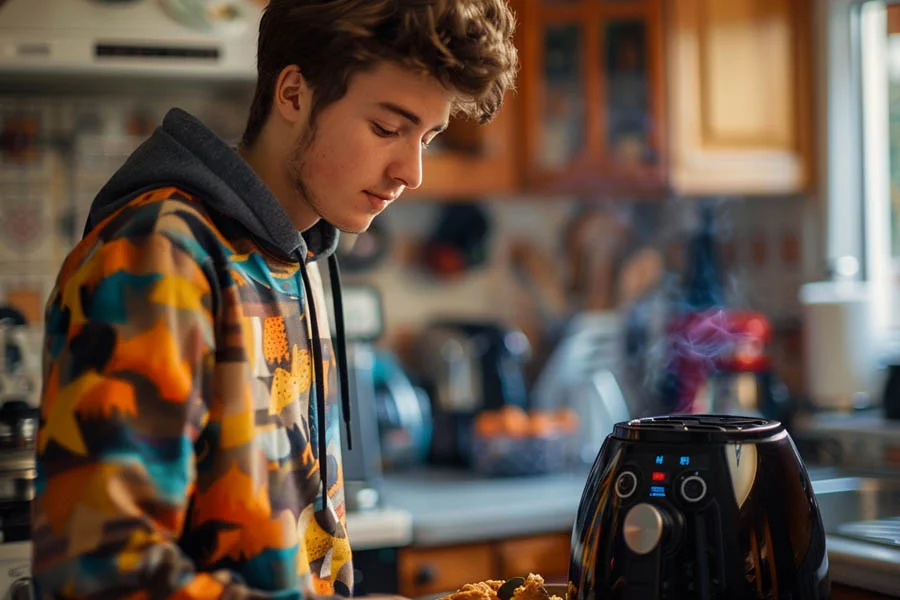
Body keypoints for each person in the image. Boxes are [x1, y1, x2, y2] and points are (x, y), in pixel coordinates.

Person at [31, 0, 518, 597]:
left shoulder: (296, 256)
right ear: (293, 94)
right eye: (388, 129)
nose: (411, 171)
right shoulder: (159, 256)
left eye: (430, 135)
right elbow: (99, 573)